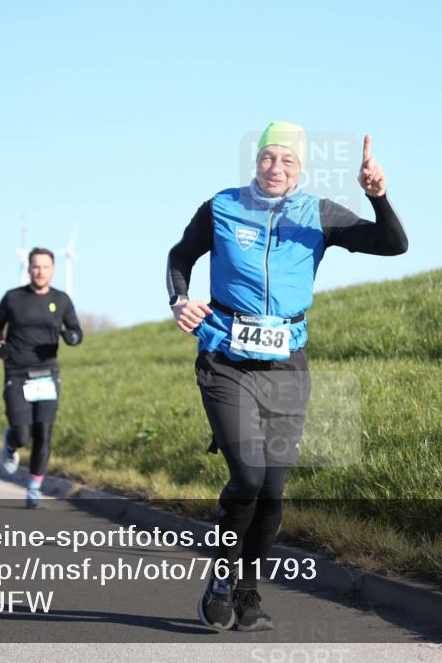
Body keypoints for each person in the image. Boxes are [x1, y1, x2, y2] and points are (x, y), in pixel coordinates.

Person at [166, 122, 407, 631]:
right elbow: (181, 255)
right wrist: (179, 300)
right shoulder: (222, 206)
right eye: (267, 157)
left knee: (272, 490)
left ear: (301, 167)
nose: (276, 168)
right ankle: (222, 576)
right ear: (255, 161)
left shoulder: (319, 214)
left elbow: (393, 244)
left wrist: (378, 196)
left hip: (287, 366)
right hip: (226, 360)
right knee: (248, 477)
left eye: (288, 160)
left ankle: (248, 590)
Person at [0, 247, 82, 508]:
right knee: (23, 434)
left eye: (45, 267)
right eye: (36, 266)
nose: (40, 271)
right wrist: (0, 345)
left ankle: (34, 488)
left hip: (47, 374)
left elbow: (76, 331)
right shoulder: (13, 297)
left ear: (53, 270)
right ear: (29, 269)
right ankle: (10, 443)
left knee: (44, 431)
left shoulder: (61, 300)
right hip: (17, 372)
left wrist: (71, 337)